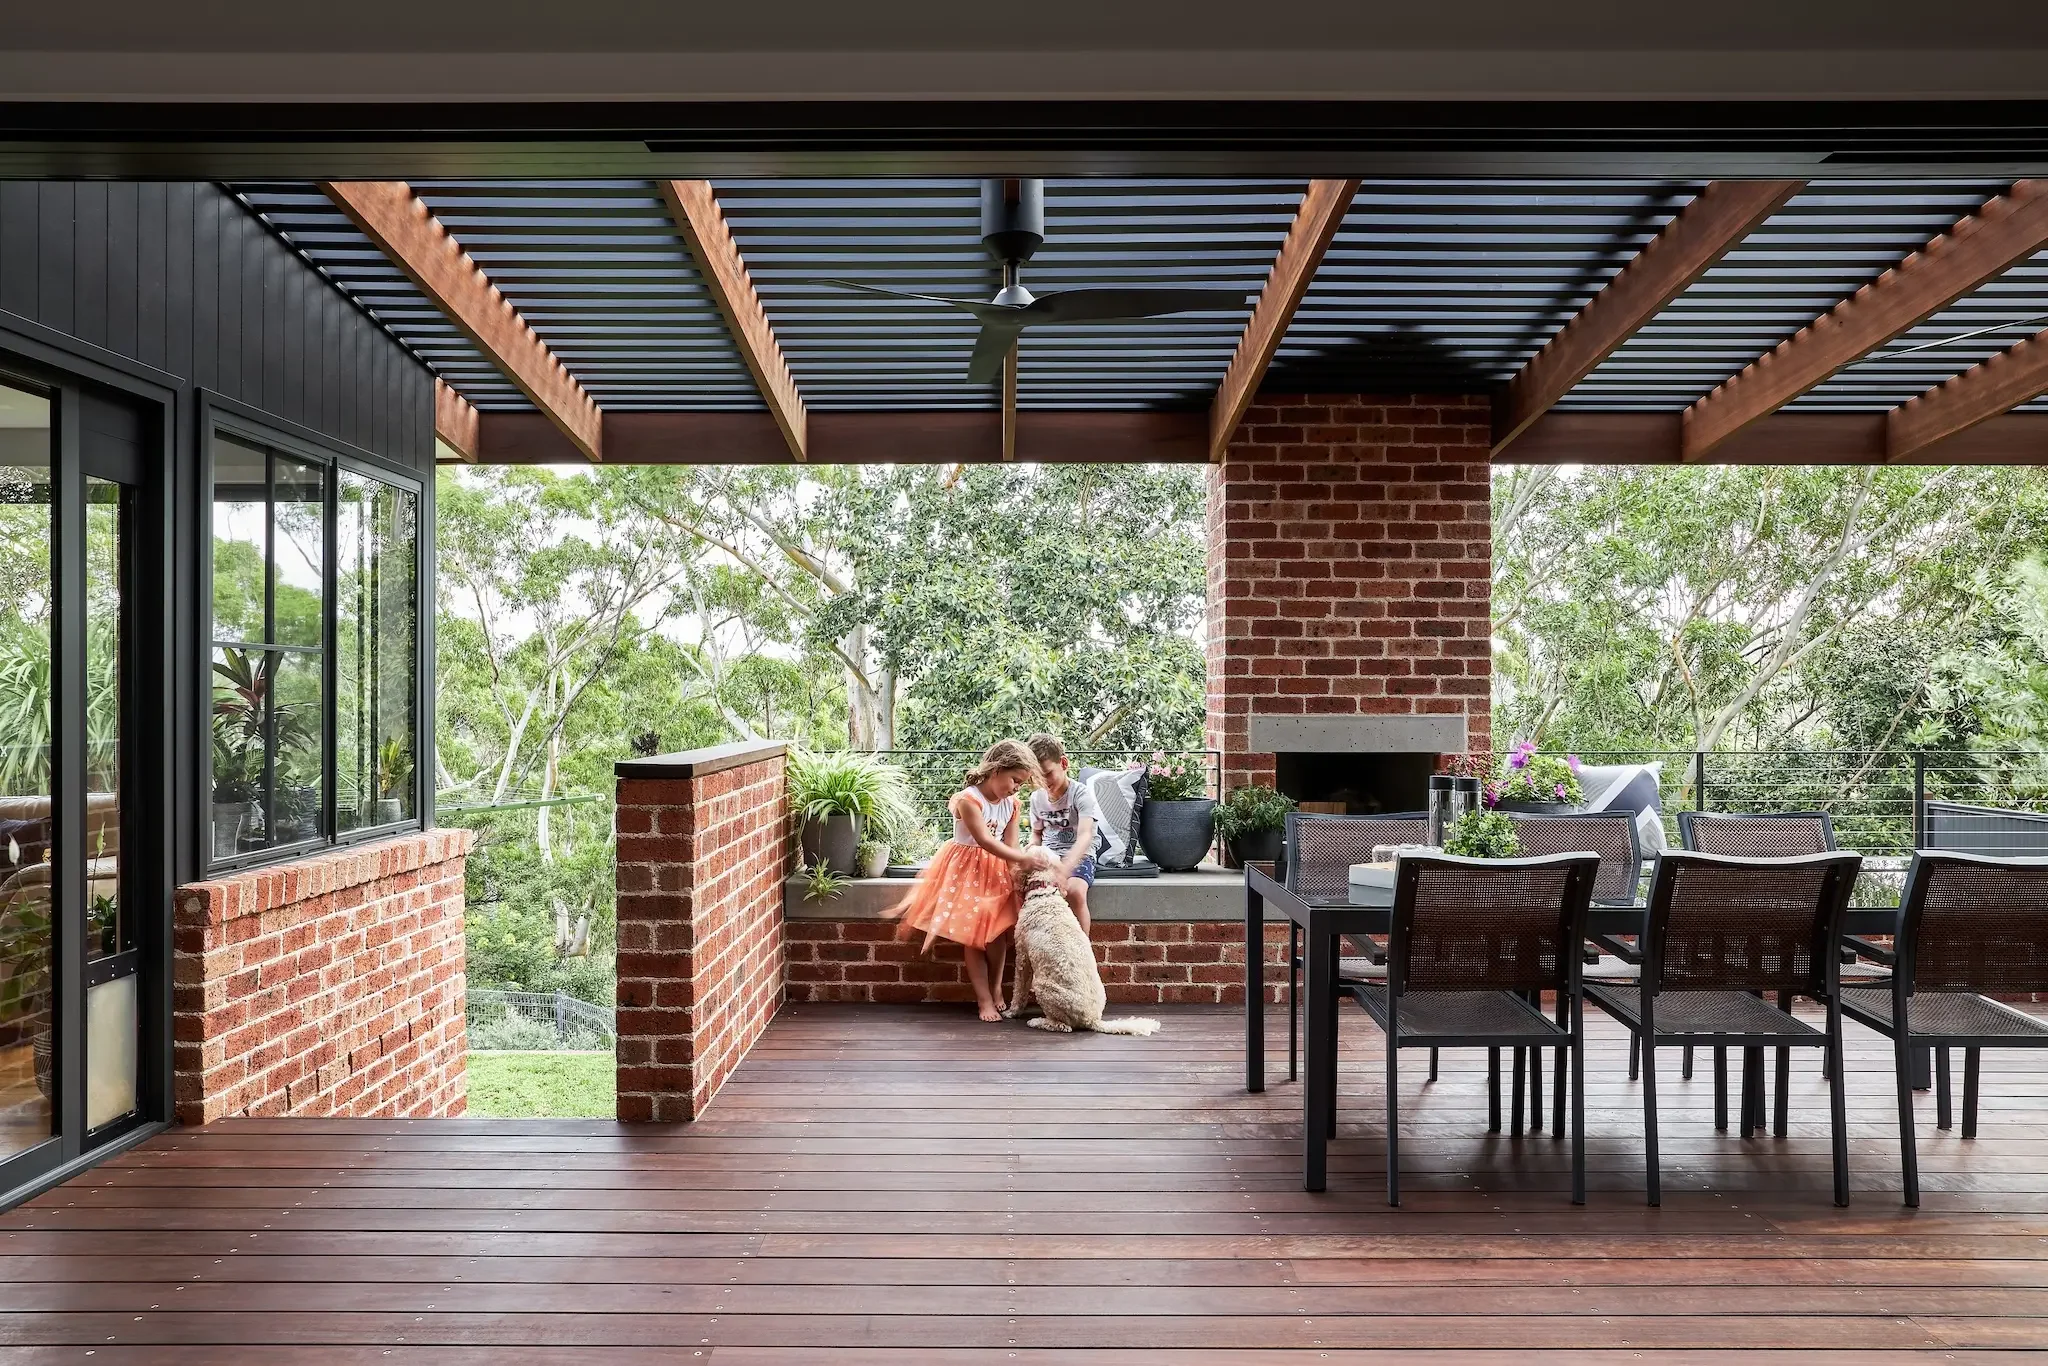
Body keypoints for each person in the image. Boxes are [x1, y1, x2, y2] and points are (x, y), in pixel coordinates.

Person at [891, 739, 1053, 1022]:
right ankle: (984, 999)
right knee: (975, 938)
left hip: (996, 873)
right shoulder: (969, 800)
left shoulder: (1011, 804)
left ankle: (996, 987)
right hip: (967, 874)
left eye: (1021, 784)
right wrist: (1023, 859)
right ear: (996, 770)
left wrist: (1022, 864)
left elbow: (1010, 846)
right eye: (1015, 780)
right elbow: (985, 841)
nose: (1016, 788)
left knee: (998, 934)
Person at [1026, 732, 1099, 936]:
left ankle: (1082, 952)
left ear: (1064, 763)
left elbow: (1085, 836)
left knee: (1074, 891)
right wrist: (1033, 849)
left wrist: (1066, 868)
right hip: (1049, 857)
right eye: (1036, 776)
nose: (1043, 781)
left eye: (1048, 773)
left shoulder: (1080, 794)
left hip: (1079, 856)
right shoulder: (1036, 798)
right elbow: (1036, 834)